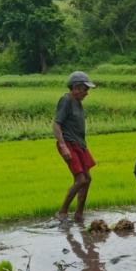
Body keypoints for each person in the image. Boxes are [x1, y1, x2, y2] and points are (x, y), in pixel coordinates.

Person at [54, 71, 96, 220]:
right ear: (76, 87)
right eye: (85, 89)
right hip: (69, 143)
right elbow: (56, 124)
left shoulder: (78, 102)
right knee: (81, 180)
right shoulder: (66, 100)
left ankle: (79, 214)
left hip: (80, 144)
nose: (87, 93)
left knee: (87, 179)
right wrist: (63, 145)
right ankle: (62, 212)